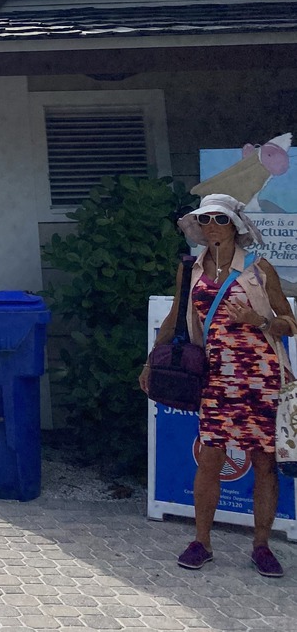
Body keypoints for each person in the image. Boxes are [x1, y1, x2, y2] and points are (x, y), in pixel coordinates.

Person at [139, 194, 296, 578]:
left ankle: (261, 545)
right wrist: (150, 361)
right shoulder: (190, 270)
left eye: (219, 219)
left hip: (261, 377)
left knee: (263, 462)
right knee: (210, 458)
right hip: (217, 377)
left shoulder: (259, 269)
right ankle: (201, 542)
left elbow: (289, 322)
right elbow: (177, 317)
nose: (210, 225)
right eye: (204, 218)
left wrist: (257, 320)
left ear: (234, 225)